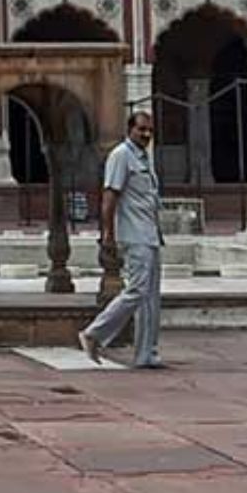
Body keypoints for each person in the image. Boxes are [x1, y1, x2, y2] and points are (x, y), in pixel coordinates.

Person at [79, 111, 164, 368]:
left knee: (150, 297)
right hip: (134, 235)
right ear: (130, 130)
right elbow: (109, 197)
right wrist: (108, 235)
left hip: (150, 234)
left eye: (150, 130)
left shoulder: (144, 158)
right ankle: (94, 333)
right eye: (141, 129)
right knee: (137, 290)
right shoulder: (121, 155)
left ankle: (146, 353)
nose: (146, 134)